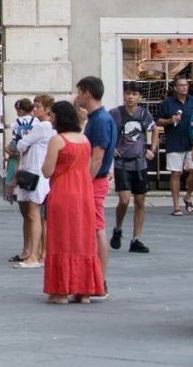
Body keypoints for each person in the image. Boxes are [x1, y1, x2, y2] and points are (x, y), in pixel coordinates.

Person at [41, 101, 105, 304]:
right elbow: (87, 167)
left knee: (61, 239)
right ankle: (83, 289)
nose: (50, 119)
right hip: (83, 193)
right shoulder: (85, 140)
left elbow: (47, 170)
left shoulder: (57, 140)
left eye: (52, 116)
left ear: (60, 117)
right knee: (82, 239)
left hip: (62, 193)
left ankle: (61, 290)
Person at [77, 75, 118, 295]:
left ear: (87, 93)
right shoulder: (99, 118)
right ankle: (97, 278)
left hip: (95, 181)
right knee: (94, 229)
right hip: (97, 179)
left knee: (96, 229)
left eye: (79, 92)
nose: (77, 97)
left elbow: (97, 157)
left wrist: (85, 182)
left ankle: (100, 279)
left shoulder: (100, 120)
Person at [110, 82, 157, 254]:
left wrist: (152, 148)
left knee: (140, 200)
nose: (130, 97)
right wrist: (111, 148)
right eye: (128, 93)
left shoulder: (144, 114)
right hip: (122, 162)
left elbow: (154, 129)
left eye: (134, 94)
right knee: (124, 199)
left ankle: (136, 237)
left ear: (139, 97)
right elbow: (109, 131)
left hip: (139, 162)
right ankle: (118, 228)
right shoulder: (115, 113)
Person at [12, 94, 54, 268]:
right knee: (33, 214)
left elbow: (21, 144)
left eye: (38, 107)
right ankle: (34, 251)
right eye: (34, 106)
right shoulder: (43, 126)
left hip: (35, 172)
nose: (35, 110)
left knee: (34, 214)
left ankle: (35, 254)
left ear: (47, 109)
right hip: (32, 170)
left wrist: (24, 144)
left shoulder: (43, 126)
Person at [158, 76, 193, 216]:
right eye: (181, 85)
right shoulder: (167, 103)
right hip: (174, 141)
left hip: (192, 141)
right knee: (176, 173)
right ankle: (176, 206)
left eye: (186, 85)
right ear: (175, 88)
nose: (184, 87)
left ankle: (188, 195)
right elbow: (158, 121)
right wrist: (170, 120)